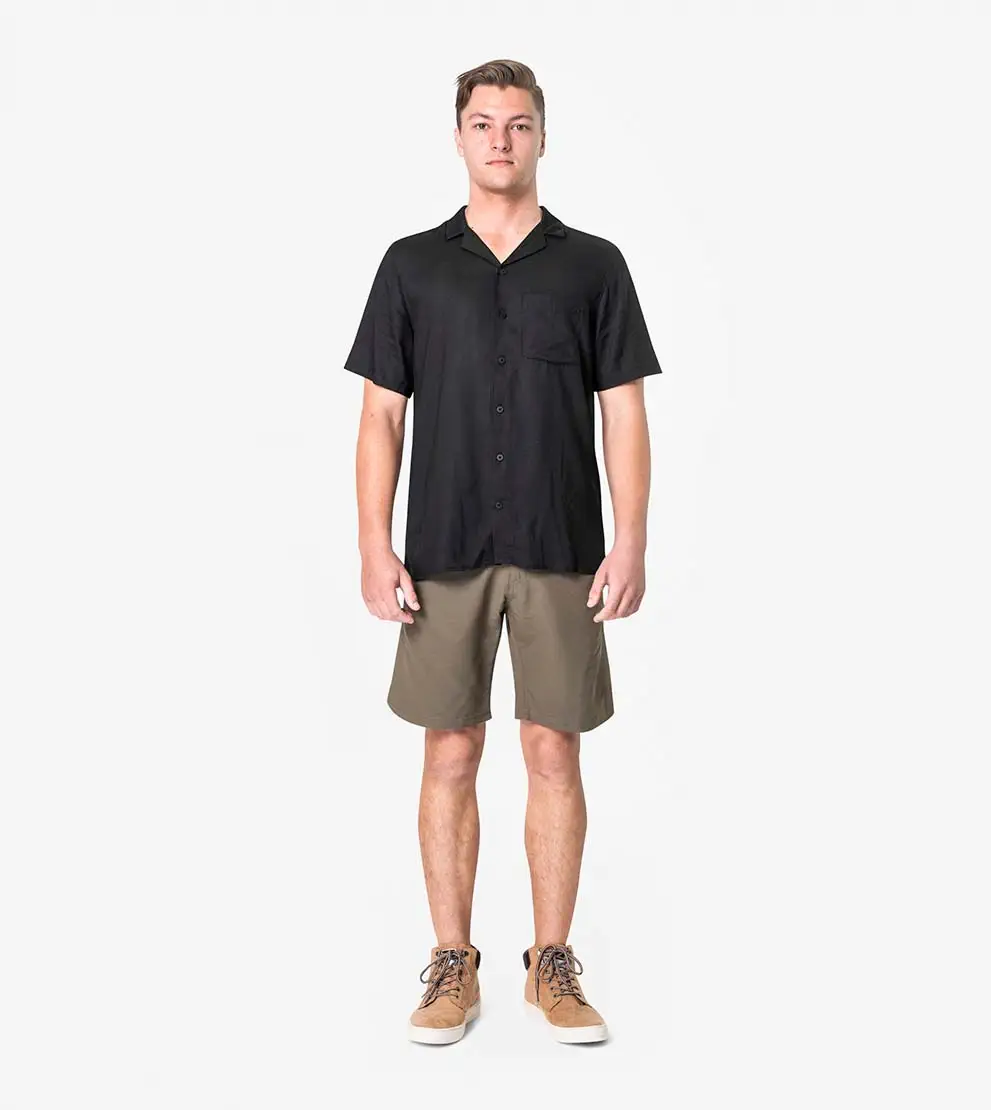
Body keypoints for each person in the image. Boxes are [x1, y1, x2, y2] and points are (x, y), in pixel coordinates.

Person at [344, 58, 662, 1045]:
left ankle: (550, 964)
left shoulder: (594, 266)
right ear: (458, 137)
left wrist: (631, 540)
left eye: (517, 124)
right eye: (483, 123)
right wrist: (373, 543)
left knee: (552, 749)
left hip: (561, 545)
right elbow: (380, 416)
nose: (500, 140)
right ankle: (452, 962)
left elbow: (623, 413)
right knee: (450, 749)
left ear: (542, 138)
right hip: (442, 549)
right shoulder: (411, 265)